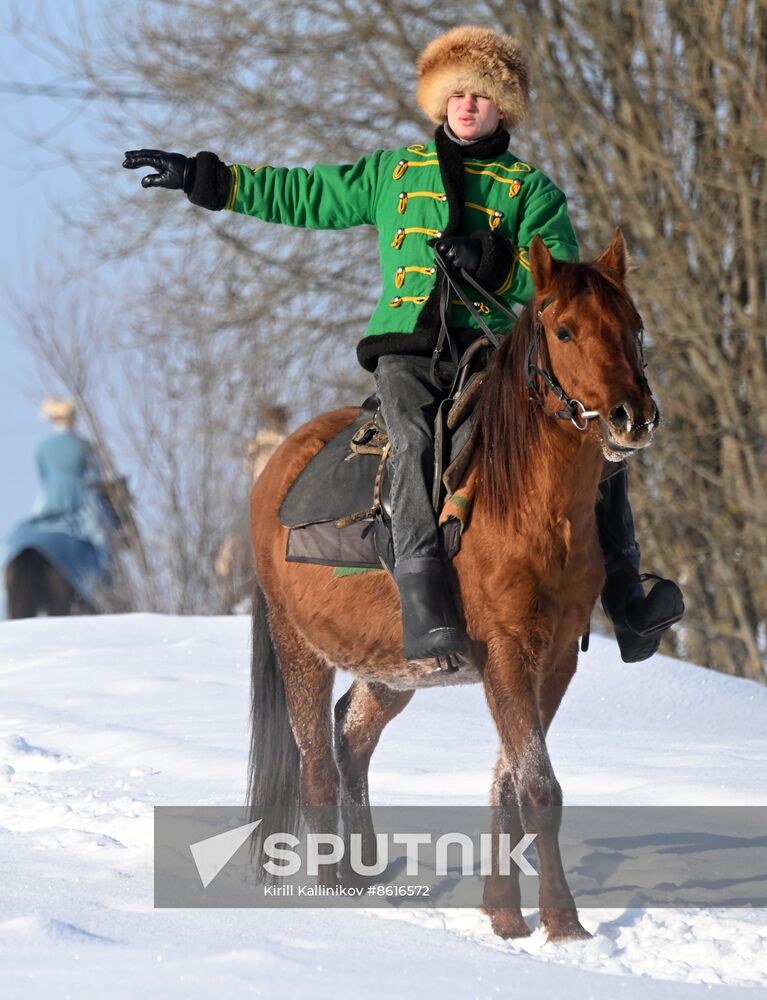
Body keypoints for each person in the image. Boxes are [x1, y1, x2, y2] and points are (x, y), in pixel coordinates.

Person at [123, 25, 683, 662]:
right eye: (456, 93)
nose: (468, 105)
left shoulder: (531, 189)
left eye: (482, 94)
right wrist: (206, 177)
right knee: (414, 435)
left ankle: (629, 601)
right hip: (409, 351)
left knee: (590, 443)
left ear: (505, 107)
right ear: (438, 102)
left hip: (496, 354)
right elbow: (304, 195)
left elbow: (563, 287)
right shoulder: (394, 173)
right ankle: (422, 594)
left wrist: (495, 261)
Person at [3, 398, 113, 610]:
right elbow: (94, 480)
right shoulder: (84, 445)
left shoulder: (44, 447)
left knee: (13, 538)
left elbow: (45, 480)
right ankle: (102, 589)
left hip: (48, 505)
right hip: (80, 505)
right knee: (102, 545)